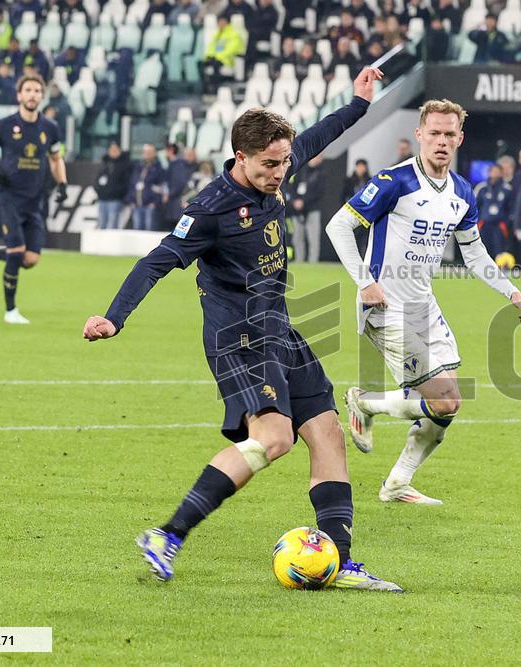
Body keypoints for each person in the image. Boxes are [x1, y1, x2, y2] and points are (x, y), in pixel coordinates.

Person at [82, 67, 402, 592]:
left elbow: (318, 136)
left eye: (283, 163)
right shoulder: (209, 210)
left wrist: (360, 105)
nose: (280, 172)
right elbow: (155, 262)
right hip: (238, 336)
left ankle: (339, 560)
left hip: (278, 327)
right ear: (240, 158)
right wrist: (114, 316)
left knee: (326, 434)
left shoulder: (275, 162)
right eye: (270, 165)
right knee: (273, 438)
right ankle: (167, 535)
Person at [325, 99, 521, 505]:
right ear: (420, 135)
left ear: (460, 138)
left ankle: (397, 483)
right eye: (434, 133)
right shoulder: (394, 181)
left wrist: (512, 292)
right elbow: (340, 225)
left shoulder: (462, 192)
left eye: (449, 134)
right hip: (384, 307)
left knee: (447, 405)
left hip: (424, 307)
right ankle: (363, 402)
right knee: (443, 398)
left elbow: (474, 254)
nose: (441, 141)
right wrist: (365, 282)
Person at [0, 74, 68, 325]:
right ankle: (10, 311)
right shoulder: (3, 126)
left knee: (30, 259)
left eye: (37, 90)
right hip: (9, 199)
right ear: (19, 95)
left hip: (35, 201)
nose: (32, 94)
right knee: (16, 251)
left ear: (42, 95)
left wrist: (62, 183)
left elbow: (56, 158)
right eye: (28, 90)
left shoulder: (50, 128)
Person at [286, 153, 325, 262]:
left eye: (318, 157)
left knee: (313, 238)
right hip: (297, 211)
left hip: (312, 210)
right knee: (297, 237)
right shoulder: (299, 171)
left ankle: (313, 263)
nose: (315, 159)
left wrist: (303, 201)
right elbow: (291, 188)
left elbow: (319, 193)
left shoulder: (321, 174)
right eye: (314, 156)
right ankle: (299, 261)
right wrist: (295, 201)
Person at [473, 163, 514, 259]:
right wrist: (477, 221)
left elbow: (511, 207)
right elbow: (475, 206)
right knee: (482, 249)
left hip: (499, 224)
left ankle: (500, 271)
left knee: (500, 250)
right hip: (484, 223)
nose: (495, 173)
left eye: (497, 171)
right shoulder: (482, 187)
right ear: (489, 173)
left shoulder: (507, 188)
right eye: (493, 171)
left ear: (501, 173)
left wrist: (506, 222)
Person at [126, 144, 168, 232]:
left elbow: (161, 188)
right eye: (145, 152)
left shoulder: (159, 169)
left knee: (149, 231)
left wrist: (154, 203)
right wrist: (131, 201)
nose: (147, 154)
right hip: (136, 205)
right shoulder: (138, 167)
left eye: (149, 152)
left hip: (150, 206)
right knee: (137, 231)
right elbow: (132, 184)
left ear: (154, 153)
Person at [95, 141, 133, 229]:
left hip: (115, 199)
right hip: (102, 199)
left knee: (112, 225)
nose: (113, 152)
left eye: (116, 150)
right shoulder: (105, 163)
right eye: (111, 150)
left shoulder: (125, 164)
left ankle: (110, 243)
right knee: (101, 224)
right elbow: (97, 180)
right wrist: (99, 191)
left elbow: (126, 183)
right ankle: (102, 243)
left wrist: (117, 193)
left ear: (120, 151)